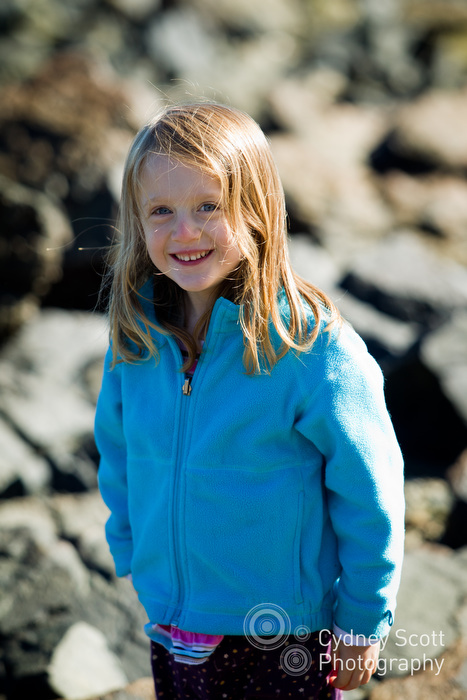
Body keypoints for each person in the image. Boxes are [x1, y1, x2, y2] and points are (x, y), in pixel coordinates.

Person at [94, 102, 405, 700]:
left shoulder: (309, 347)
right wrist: (129, 547)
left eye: (208, 206)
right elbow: (117, 452)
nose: (185, 231)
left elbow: (372, 489)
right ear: (137, 219)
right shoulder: (136, 337)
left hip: (284, 637)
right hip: (174, 621)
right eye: (161, 211)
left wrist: (363, 618)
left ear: (256, 209)